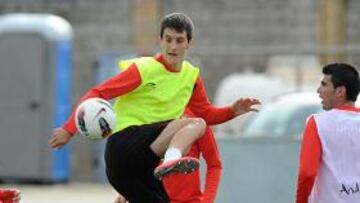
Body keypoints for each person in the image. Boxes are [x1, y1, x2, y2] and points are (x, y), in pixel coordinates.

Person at [49, 12, 260, 203]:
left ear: (189, 44)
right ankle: (171, 160)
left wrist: (232, 111)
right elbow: (98, 92)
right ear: (160, 41)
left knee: (198, 124)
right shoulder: (144, 69)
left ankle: (168, 162)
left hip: (139, 167)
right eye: (168, 40)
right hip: (124, 146)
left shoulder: (191, 77)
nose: (173, 47)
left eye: (179, 41)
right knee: (197, 123)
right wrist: (69, 129)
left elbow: (206, 112)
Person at [114, 108, 223, 203]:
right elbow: (140, 160)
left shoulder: (196, 119)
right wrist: (126, 191)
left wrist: (207, 200)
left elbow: (214, 165)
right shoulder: (149, 115)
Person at [296, 63, 360, 203]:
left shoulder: (317, 123)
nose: (319, 90)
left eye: (324, 85)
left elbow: (307, 173)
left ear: (340, 91)